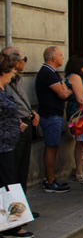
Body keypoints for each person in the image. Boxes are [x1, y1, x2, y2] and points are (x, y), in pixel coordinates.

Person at [0, 53, 34, 238]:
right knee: (8, 185)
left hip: (8, 144)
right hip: (3, 146)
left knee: (9, 183)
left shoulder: (3, 90)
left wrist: (15, 123)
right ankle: (13, 226)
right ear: (3, 72)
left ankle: (11, 224)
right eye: (11, 71)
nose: (13, 75)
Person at [3, 48, 40, 210]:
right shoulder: (5, 84)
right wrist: (17, 119)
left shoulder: (16, 79)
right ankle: (14, 212)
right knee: (12, 173)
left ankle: (22, 207)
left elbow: (22, 100)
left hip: (24, 124)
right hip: (9, 136)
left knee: (22, 168)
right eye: (22, 58)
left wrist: (31, 112)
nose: (24, 61)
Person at [35, 46, 71, 193]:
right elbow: (64, 94)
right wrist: (65, 89)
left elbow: (65, 90)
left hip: (53, 115)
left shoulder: (53, 73)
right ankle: (50, 180)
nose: (63, 58)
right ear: (53, 58)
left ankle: (51, 178)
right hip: (50, 115)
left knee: (54, 146)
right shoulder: (47, 73)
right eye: (61, 55)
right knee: (51, 147)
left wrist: (65, 89)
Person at [64, 55, 83, 184]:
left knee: (80, 143)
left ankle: (81, 171)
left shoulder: (75, 77)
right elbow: (80, 98)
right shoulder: (75, 77)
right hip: (82, 114)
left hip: (79, 112)